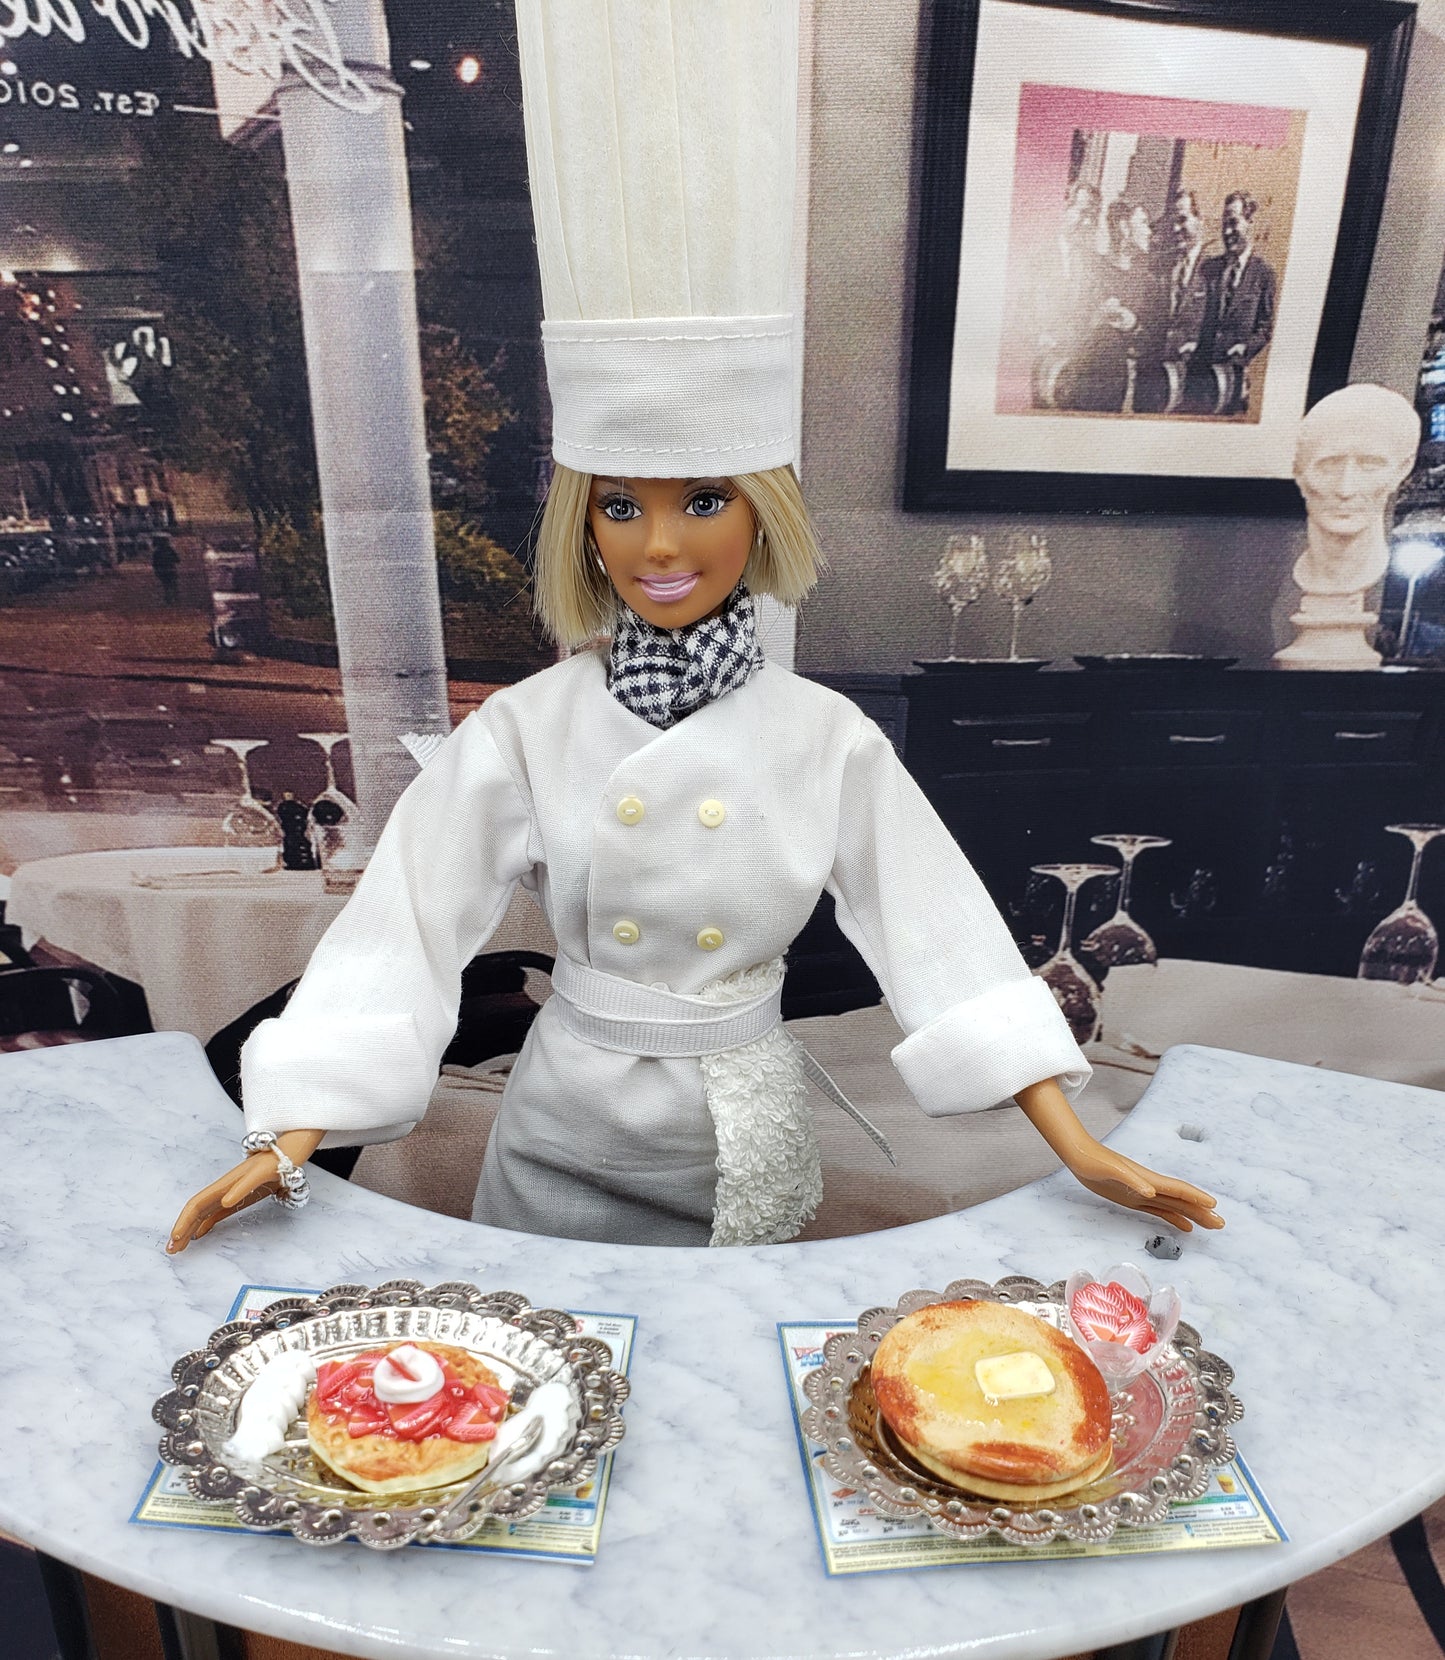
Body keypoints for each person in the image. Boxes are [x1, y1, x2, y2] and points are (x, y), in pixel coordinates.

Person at [168, 0, 1220, 1254]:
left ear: (763, 509)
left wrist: (1079, 1144)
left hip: (743, 1121)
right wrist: (287, 1136)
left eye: (704, 500)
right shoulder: (524, 729)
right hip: (559, 1129)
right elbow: (401, 933)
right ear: (581, 521)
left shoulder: (822, 737)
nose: (660, 545)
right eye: (621, 505)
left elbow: (944, 940)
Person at [1057, 200, 1167, 415]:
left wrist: (1133, 324)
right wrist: (1096, 318)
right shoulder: (1093, 271)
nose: (1149, 232)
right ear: (1124, 227)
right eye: (1143, 223)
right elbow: (1070, 324)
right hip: (1089, 381)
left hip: (1130, 393)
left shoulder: (1150, 281)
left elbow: (1158, 341)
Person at [1189, 192, 1277, 418]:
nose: (1227, 232)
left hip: (1232, 380)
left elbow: (1265, 329)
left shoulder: (1264, 275)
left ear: (1250, 222)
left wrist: (1245, 348)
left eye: (1233, 223)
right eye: (1224, 224)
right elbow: (1193, 313)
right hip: (1198, 378)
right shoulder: (1208, 269)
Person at [1029, 180, 1103, 408]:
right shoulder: (1039, 253)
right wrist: (1040, 334)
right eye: (1082, 212)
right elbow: (1024, 302)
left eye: (1092, 215)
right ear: (1065, 209)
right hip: (1041, 351)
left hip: (1073, 355)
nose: (1087, 222)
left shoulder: (1089, 260)